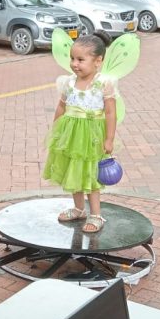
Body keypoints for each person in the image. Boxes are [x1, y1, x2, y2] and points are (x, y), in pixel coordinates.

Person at [42, 35, 117, 234]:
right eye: (72, 59)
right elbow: (61, 106)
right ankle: (78, 209)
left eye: (80, 60)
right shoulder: (68, 83)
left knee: (91, 174)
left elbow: (110, 112)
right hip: (71, 135)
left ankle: (96, 214)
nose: (75, 64)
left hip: (92, 136)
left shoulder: (103, 84)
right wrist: (56, 129)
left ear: (98, 61)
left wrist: (109, 139)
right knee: (72, 171)